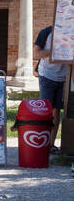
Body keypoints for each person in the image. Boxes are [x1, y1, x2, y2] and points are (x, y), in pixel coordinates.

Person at [35, 23, 68, 152]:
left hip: (64, 77)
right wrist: (54, 51)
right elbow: (37, 53)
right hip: (47, 75)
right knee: (46, 110)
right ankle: (42, 143)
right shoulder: (46, 32)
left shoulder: (70, 32)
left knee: (57, 111)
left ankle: (51, 145)